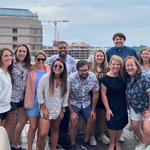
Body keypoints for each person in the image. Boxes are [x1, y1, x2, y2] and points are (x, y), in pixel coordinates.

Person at [47, 41, 76, 148]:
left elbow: (74, 76)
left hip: (66, 91)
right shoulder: (51, 59)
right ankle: (51, 137)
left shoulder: (73, 61)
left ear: (68, 48)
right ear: (57, 49)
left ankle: (62, 138)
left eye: (64, 47)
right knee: (52, 115)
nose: (62, 49)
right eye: (60, 48)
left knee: (64, 116)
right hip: (53, 91)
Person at [37, 58, 70, 150]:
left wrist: (63, 111)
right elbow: (39, 93)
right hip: (46, 110)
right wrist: (43, 108)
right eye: (55, 66)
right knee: (43, 134)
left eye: (60, 66)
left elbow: (65, 97)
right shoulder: (45, 78)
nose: (58, 67)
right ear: (52, 67)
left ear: (64, 68)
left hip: (58, 110)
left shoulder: (66, 81)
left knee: (55, 130)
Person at [68, 60, 99, 150]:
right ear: (77, 70)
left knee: (91, 118)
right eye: (82, 70)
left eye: (86, 70)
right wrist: (72, 112)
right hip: (73, 102)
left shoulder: (93, 77)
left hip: (86, 102)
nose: (85, 72)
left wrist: (93, 110)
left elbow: (96, 92)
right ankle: (73, 143)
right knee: (74, 121)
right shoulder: (71, 78)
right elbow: (66, 96)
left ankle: (85, 141)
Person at [5, 44, 31, 150]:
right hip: (11, 98)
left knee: (23, 119)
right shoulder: (11, 64)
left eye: (24, 51)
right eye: (20, 51)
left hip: (21, 98)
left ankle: (15, 144)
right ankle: (6, 145)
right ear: (16, 52)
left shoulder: (27, 65)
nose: (22, 53)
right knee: (9, 123)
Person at [24, 51, 50, 150]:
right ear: (35, 59)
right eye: (38, 59)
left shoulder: (49, 69)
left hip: (45, 102)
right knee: (33, 127)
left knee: (42, 130)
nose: (40, 61)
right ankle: (30, 148)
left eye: (43, 59)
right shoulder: (30, 69)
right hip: (32, 100)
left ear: (45, 60)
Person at [101, 55, 128, 150]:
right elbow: (103, 95)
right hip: (110, 104)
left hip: (122, 104)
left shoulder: (123, 77)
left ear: (120, 66)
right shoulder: (105, 79)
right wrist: (108, 109)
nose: (115, 66)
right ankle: (112, 142)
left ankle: (117, 142)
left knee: (121, 123)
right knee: (112, 124)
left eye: (118, 64)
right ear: (110, 64)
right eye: (113, 64)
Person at [123, 56, 150, 150]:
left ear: (137, 66)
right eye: (127, 66)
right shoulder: (127, 78)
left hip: (147, 107)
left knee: (147, 129)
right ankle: (143, 142)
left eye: (131, 65)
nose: (129, 67)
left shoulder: (145, 77)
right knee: (135, 127)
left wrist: (149, 110)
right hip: (134, 107)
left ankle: (147, 146)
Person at [89, 49, 110, 145]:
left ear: (104, 57)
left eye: (101, 56)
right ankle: (92, 135)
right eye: (97, 56)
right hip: (91, 94)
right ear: (94, 57)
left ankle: (101, 134)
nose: (99, 57)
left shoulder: (108, 69)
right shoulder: (89, 67)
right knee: (92, 116)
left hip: (103, 95)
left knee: (102, 115)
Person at [0, 48, 13, 127]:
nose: (9, 57)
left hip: (6, 108)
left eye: (10, 55)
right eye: (5, 56)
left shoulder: (8, 72)